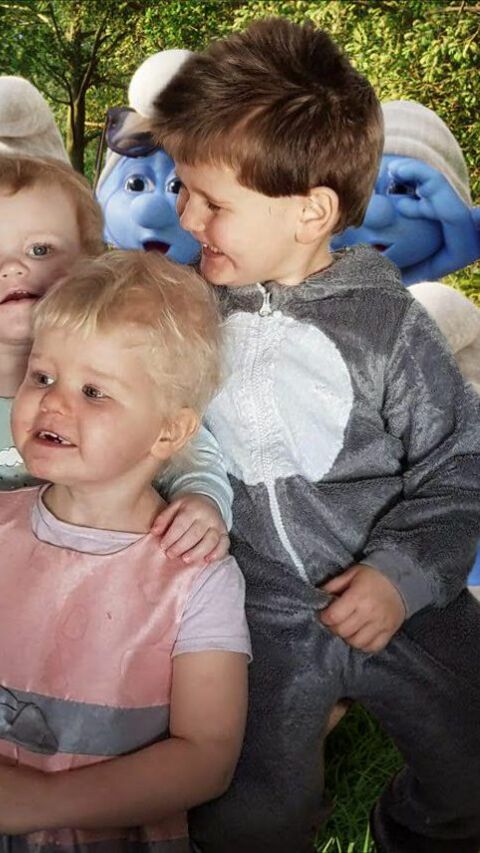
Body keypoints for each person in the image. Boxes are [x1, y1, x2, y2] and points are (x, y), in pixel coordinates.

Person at [150, 16, 480, 853]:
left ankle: (416, 828)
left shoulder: (388, 328)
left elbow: (458, 466)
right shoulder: (183, 310)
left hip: (404, 598)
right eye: (182, 187)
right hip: (254, 613)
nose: (185, 214)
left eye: (213, 201)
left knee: (472, 771)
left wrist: (403, 576)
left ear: (311, 212)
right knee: (241, 813)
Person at [0, 250, 251, 851]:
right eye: (42, 377)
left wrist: (46, 802)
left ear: (168, 431)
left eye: (94, 391)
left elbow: (207, 757)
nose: (53, 402)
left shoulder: (196, 578)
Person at [0, 155, 234, 704]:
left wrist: (203, 501)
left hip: (111, 592)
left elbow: (192, 449)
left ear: (94, 270)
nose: (13, 269)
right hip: (1, 595)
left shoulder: (133, 371)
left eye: (40, 249)